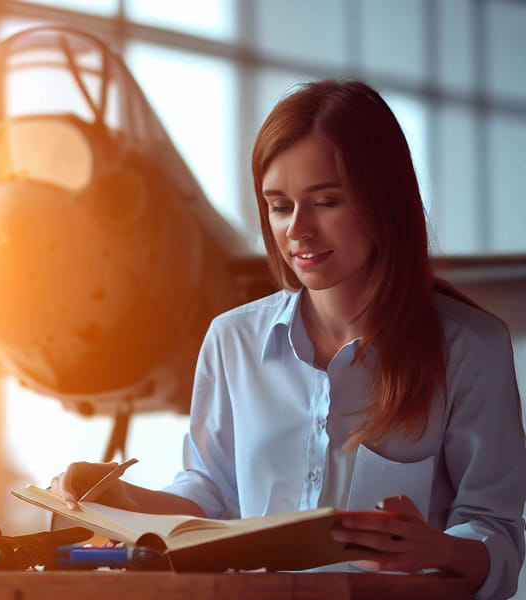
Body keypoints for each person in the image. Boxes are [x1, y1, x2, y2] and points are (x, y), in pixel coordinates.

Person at [51, 80, 526, 599]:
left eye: (325, 202)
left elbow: (496, 531)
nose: (298, 230)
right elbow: (211, 494)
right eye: (279, 206)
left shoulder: (470, 347)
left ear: (383, 201)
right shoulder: (231, 340)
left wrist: (439, 549)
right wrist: (122, 496)